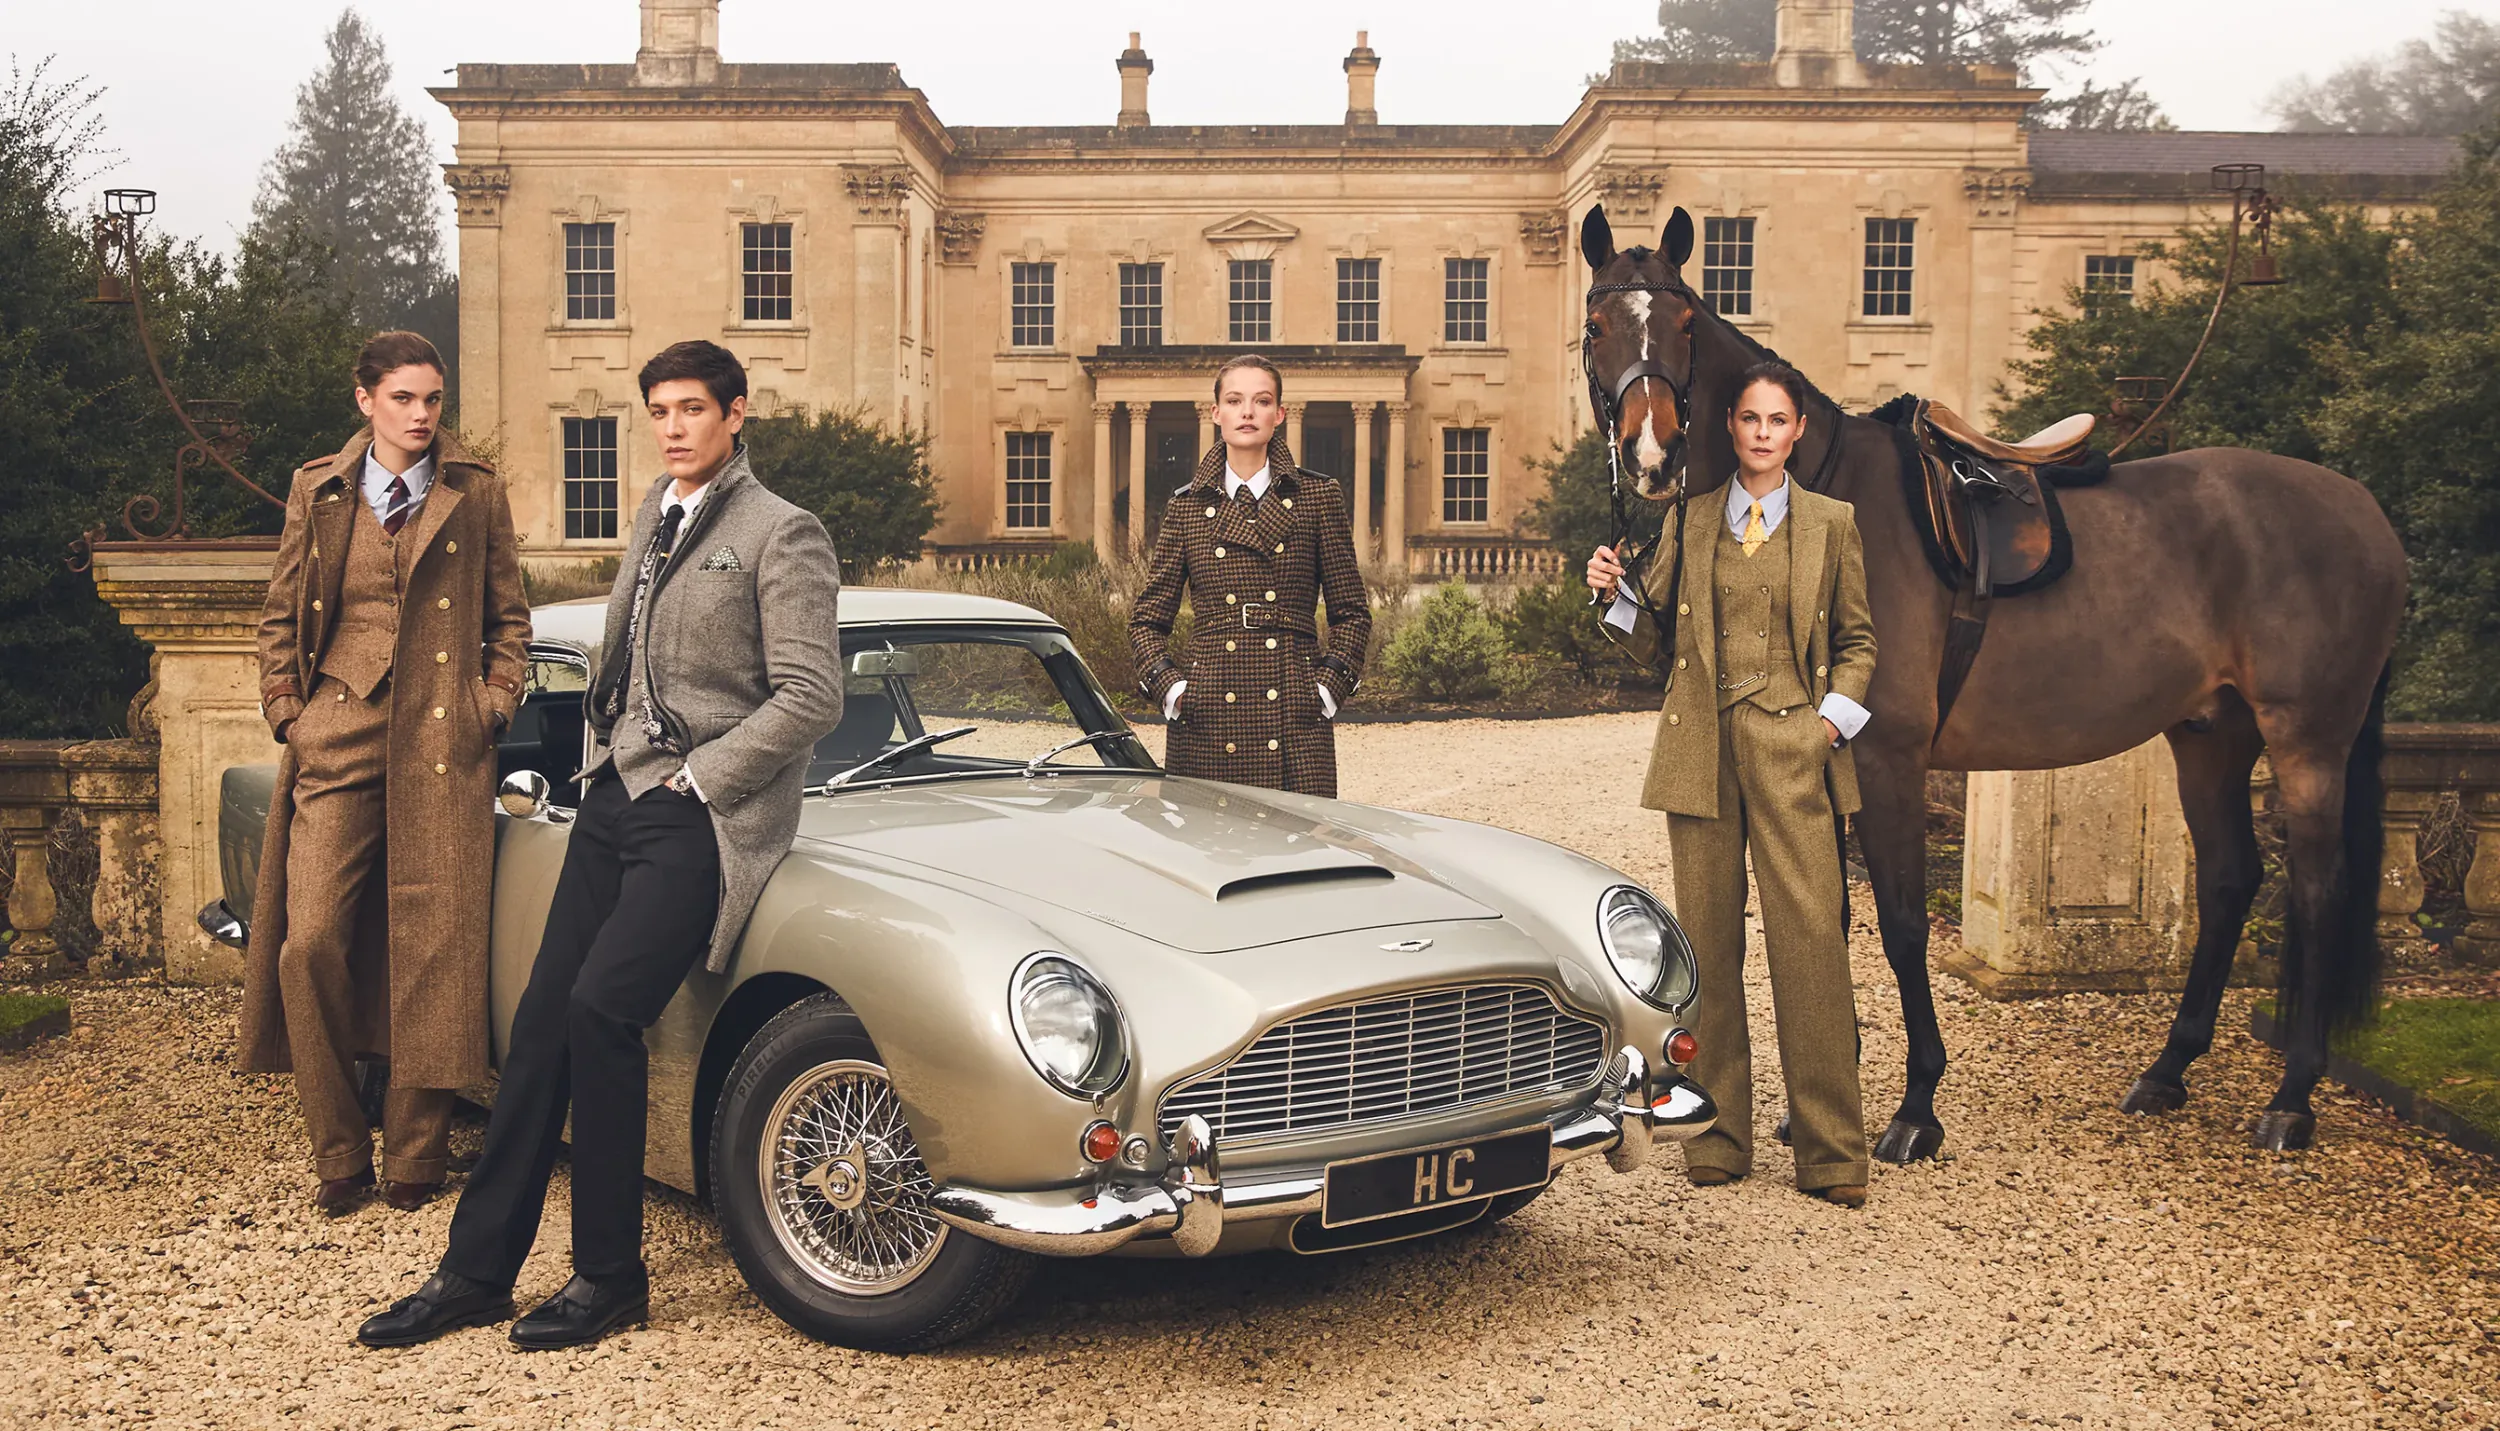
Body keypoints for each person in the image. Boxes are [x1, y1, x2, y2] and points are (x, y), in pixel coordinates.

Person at [358, 340, 844, 1350]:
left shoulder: (781, 532)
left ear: (736, 414)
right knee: (538, 1028)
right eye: (658, 410)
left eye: (691, 410)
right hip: (615, 800)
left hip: (705, 813)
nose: (671, 427)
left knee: (598, 1011)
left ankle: (610, 1277)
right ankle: (476, 1272)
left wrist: (702, 777)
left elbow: (811, 696)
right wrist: (603, 759)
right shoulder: (650, 516)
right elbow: (621, 668)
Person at [239, 331, 530, 1216]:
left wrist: (494, 704)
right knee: (310, 937)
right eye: (403, 397)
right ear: (365, 399)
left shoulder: (474, 490)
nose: (420, 414)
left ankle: (415, 1153)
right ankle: (338, 1149)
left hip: (445, 737)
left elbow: (509, 618)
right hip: (339, 725)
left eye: (432, 399)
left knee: (434, 945)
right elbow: (280, 611)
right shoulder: (318, 487)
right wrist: (291, 710)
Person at [1585, 360, 1878, 1208]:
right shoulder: (1694, 517)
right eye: (1748, 417)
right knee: (1708, 948)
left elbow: (1859, 643)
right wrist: (1612, 596)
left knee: (1812, 947)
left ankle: (1832, 1154)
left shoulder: (1833, 524)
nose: (1760, 432)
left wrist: (1828, 723)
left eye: (1776, 419)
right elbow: (1654, 641)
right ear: (1732, 429)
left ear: (1797, 433)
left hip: (1795, 748)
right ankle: (1717, 1136)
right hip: (1701, 751)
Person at [1128, 354, 1370, 797]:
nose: (1247, 412)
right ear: (1215, 412)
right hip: (1208, 714)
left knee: (1299, 856)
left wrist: (1326, 690)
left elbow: (1351, 611)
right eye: (1235, 400)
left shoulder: (1318, 497)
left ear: (1279, 414)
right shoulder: (1186, 507)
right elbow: (1146, 620)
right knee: (1209, 857)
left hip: (1294, 712)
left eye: (1261, 401)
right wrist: (1176, 690)